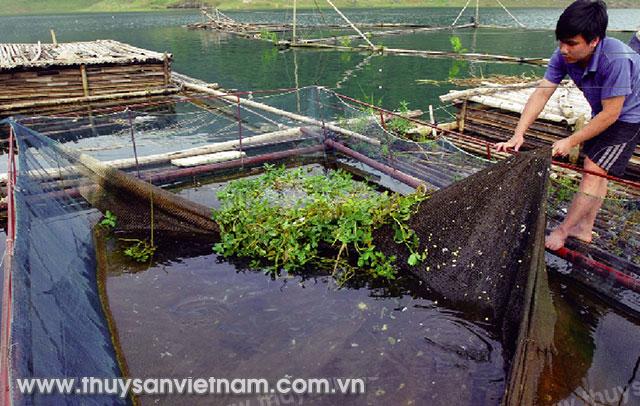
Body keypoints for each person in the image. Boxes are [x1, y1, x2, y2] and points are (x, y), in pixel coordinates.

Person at [495, 0, 640, 251]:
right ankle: (584, 229)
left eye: (572, 43)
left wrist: (570, 141)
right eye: (560, 41)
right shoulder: (564, 54)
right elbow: (541, 94)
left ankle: (563, 231)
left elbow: (611, 115)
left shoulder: (616, 59)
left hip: (629, 115)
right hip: (603, 110)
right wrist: (517, 134)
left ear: (594, 41)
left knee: (593, 168)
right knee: (597, 173)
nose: (563, 49)